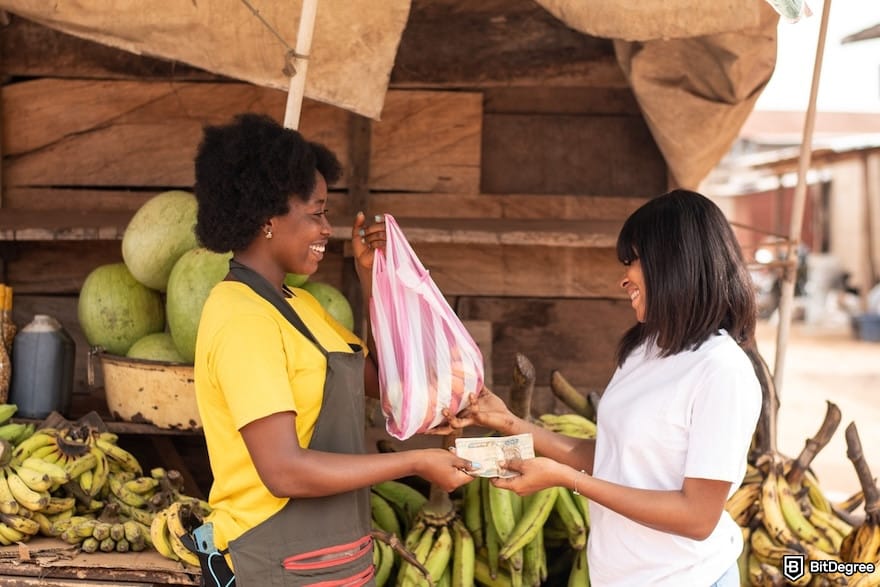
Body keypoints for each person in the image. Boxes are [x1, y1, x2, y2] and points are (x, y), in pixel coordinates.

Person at [190, 113, 474, 586]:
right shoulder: (241, 317)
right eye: (316, 212)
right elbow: (283, 471)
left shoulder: (299, 306)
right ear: (267, 218)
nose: (328, 228)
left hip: (337, 562)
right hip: (275, 565)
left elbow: (390, 382)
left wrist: (372, 279)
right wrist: (416, 462)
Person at [443, 189, 762, 586]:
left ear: (675, 262)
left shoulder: (722, 370)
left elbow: (697, 517)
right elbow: (611, 459)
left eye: (634, 261)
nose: (623, 277)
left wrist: (567, 480)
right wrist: (509, 423)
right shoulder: (645, 349)